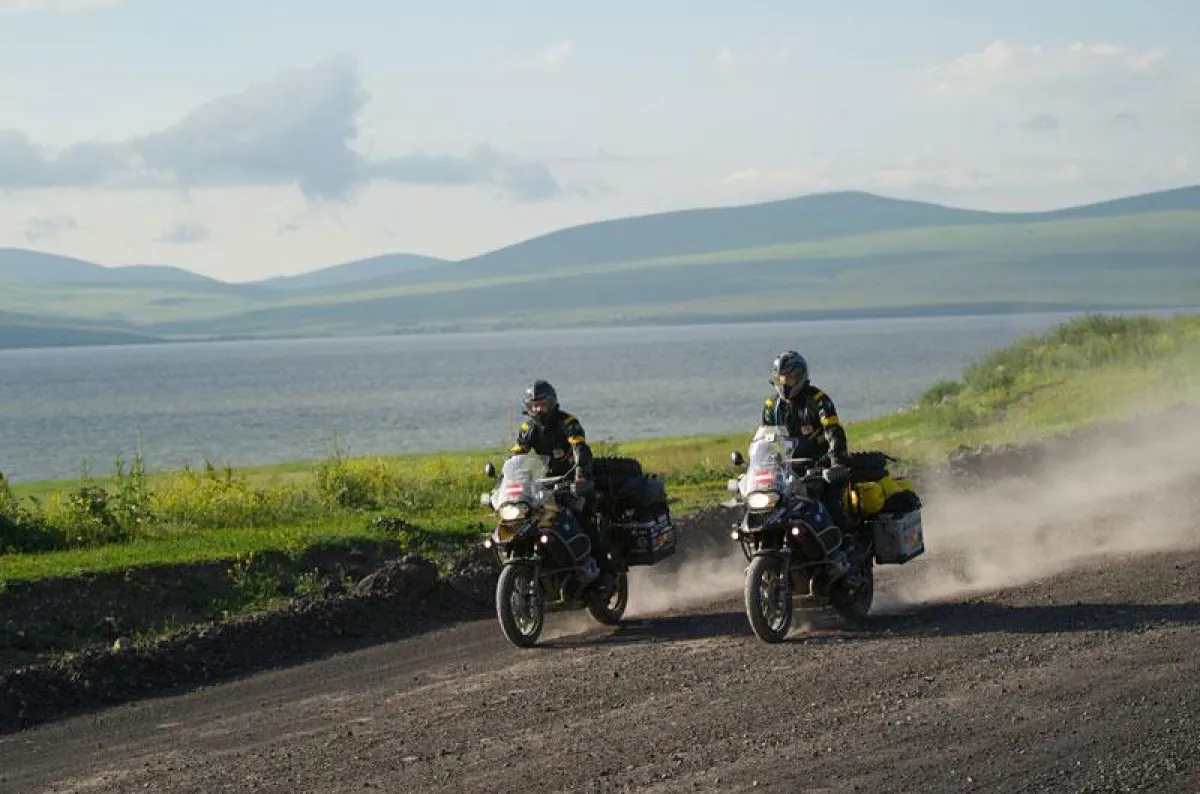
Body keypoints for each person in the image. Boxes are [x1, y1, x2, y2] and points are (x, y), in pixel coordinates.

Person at [760, 350, 863, 588]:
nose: (784, 384)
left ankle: (846, 548)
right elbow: (765, 440)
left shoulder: (818, 400)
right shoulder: (771, 405)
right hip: (787, 470)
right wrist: (759, 466)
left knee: (828, 501)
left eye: (789, 378)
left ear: (801, 376)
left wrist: (836, 461)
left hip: (820, 465)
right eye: (780, 379)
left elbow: (834, 433)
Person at [508, 379, 612, 588]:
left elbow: (580, 449)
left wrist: (580, 475)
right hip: (545, 482)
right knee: (530, 519)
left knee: (582, 518)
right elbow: (517, 455)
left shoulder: (568, 422)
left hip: (573, 478)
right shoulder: (528, 428)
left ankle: (605, 572)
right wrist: (508, 480)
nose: (538, 409)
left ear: (552, 402)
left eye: (542, 404)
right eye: (533, 405)